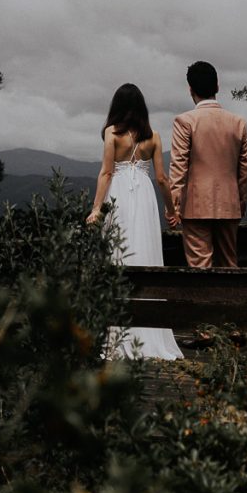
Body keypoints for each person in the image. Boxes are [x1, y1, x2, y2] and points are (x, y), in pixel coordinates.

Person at [86, 83, 183, 361]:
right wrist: (171, 211)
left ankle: (118, 332)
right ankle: (149, 331)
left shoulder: (111, 134)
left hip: (118, 195)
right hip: (145, 195)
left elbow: (106, 173)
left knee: (117, 256)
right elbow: (162, 179)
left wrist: (96, 210)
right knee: (148, 253)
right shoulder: (153, 137)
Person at [169, 60, 247, 269]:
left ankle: (204, 301)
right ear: (217, 86)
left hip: (195, 206)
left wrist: (173, 206)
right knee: (229, 266)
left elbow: (179, 165)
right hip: (229, 205)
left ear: (190, 89)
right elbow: (244, 170)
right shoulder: (238, 123)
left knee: (200, 268)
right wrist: (240, 203)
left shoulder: (185, 121)